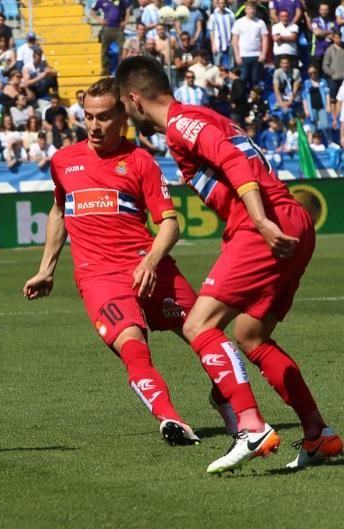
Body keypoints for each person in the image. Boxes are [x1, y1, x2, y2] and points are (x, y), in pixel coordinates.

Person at [116, 56, 343, 473]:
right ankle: (318, 434)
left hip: (263, 223)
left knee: (198, 325)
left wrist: (258, 220)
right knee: (250, 335)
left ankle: (251, 427)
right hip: (289, 218)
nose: (126, 117)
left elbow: (236, 164)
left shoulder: (183, 124)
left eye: (124, 107)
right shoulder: (199, 118)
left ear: (133, 98)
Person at [23, 76, 213, 445]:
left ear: (123, 116)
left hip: (150, 267)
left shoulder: (140, 162)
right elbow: (60, 211)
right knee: (132, 345)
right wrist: (46, 269)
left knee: (207, 335)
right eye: (88, 117)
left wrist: (152, 261)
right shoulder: (64, 161)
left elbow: (170, 226)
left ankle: (232, 404)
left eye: (104, 117)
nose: (94, 125)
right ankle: (170, 419)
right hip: (99, 278)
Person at [92, 0, 131, 75]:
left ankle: (122, 67)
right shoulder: (101, 1)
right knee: (104, 49)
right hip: (107, 28)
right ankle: (105, 68)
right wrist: (99, 19)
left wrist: (126, 21)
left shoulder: (121, 1)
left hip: (118, 28)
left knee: (123, 48)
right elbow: (92, 11)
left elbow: (128, 8)